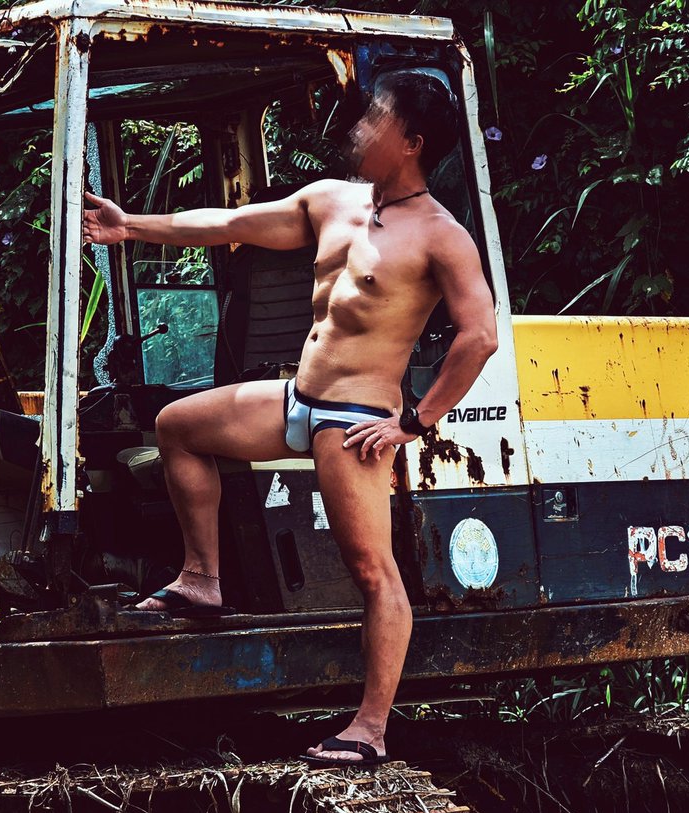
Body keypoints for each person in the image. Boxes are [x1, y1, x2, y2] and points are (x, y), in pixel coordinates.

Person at [81, 71, 497, 766]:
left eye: (377, 119)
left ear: (412, 144)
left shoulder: (441, 237)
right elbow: (232, 225)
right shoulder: (332, 201)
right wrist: (132, 227)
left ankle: (370, 730)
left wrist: (414, 424)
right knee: (179, 426)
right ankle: (202, 580)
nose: (359, 129)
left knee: (374, 573)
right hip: (296, 398)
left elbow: (479, 335)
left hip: (355, 419)